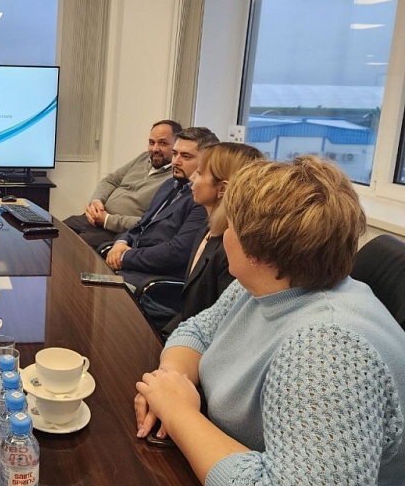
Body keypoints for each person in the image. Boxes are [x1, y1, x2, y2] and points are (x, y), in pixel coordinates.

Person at [135, 156, 405, 484]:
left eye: (230, 225)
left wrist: (179, 413)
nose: (223, 234)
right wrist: (169, 384)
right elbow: (199, 331)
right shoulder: (268, 282)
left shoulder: (329, 351)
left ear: (256, 253)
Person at [140, 142, 265, 336]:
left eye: (199, 173)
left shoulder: (231, 250)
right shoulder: (207, 228)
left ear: (222, 188)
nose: (191, 178)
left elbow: (218, 327)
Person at [105, 127, 218, 288]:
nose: (176, 161)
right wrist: (121, 242)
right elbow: (142, 224)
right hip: (132, 267)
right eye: (175, 154)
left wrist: (125, 256)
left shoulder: (202, 201)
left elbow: (176, 253)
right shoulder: (169, 184)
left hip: (154, 281)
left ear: (206, 162)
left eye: (186, 156)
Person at [64, 120, 181, 249]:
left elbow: (152, 222)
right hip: (96, 218)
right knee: (56, 229)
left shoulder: (175, 179)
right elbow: (111, 180)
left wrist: (107, 220)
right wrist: (96, 201)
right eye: (151, 142)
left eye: (163, 143)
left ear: (177, 145)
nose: (154, 149)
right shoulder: (143, 158)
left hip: (118, 231)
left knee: (75, 246)